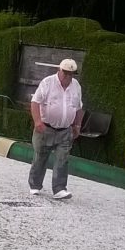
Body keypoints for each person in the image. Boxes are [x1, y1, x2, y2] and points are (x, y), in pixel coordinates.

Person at [28, 58, 83, 199]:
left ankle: (59, 189)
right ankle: (35, 185)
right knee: (40, 157)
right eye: (66, 73)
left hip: (65, 130)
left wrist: (77, 125)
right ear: (59, 71)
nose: (68, 77)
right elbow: (35, 102)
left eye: (72, 74)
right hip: (45, 128)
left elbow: (78, 108)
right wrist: (37, 121)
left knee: (62, 159)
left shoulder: (76, 86)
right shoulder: (47, 82)